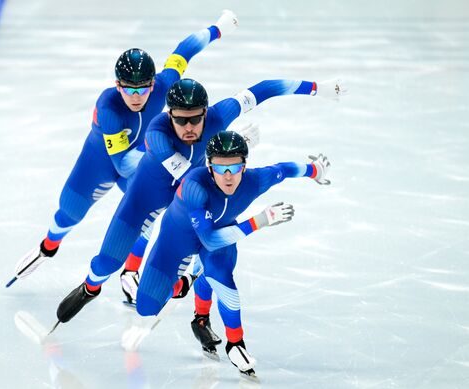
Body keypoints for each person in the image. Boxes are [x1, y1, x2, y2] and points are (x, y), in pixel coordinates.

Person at [54, 77, 345, 334]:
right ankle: (90, 288)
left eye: (196, 119)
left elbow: (265, 89)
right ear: (170, 117)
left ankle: (193, 285)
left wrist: (318, 89)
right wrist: (234, 148)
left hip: (185, 206)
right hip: (143, 201)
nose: (189, 127)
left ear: (206, 112)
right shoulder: (158, 134)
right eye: (181, 120)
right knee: (108, 261)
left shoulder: (220, 116)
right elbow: (190, 174)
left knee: (151, 301)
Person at [8, 10, 240, 290]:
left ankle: (130, 271)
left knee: (148, 210)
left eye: (142, 89)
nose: (136, 96)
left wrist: (217, 29)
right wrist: (162, 154)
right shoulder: (108, 107)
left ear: (152, 84)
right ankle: (49, 246)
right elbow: (122, 165)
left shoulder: (163, 84)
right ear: (117, 85)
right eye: (128, 89)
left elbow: (183, 52)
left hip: (140, 160)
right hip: (101, 164)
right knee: (70, 212)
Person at [135, 131, 331, 376]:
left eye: (235, 166)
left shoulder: (256, 180)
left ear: (244, 166)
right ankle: (187, 285)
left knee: (222, 277)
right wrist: (260, 221)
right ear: (209, 167)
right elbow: (208, 239)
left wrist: (314, 170)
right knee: (146, 308)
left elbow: (283, 169)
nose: (228, 176)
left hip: (223, 232)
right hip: (179, 237)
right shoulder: (196, 187)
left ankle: (233, 341)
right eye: (219, 167)